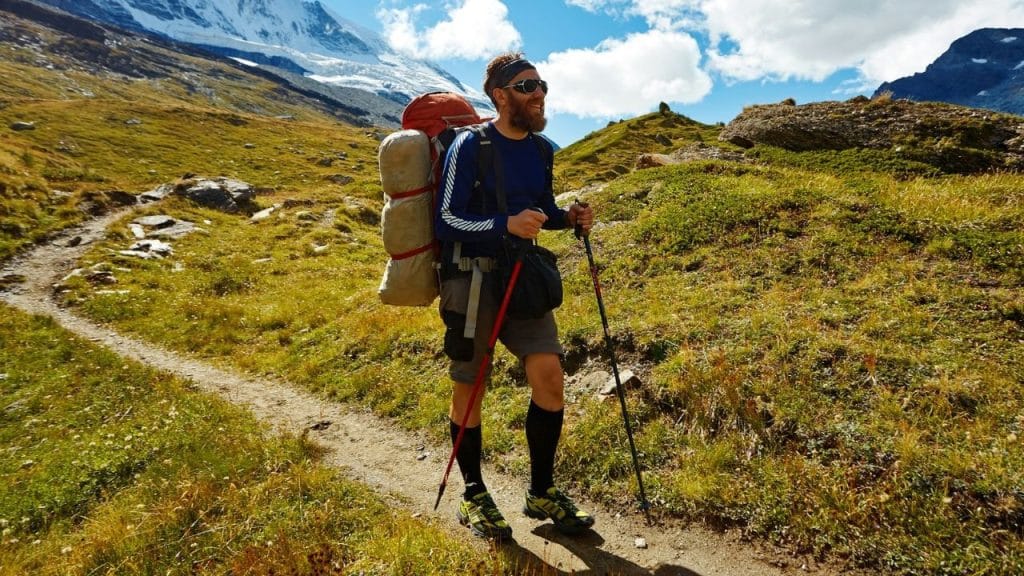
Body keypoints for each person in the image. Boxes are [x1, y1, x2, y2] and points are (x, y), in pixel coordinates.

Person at [434, 52, 596, 541]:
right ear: (500, 96)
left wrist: (568, 217)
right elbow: (446, 219)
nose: (538, 92)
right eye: (526, 86)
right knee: (471, 384)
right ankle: (474, 493)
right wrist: (502, 224)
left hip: (521, 276)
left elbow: (541, 207)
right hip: (471, 279)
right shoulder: (470, 146)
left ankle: (541, 491)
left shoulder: (542, 149)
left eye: (541, 83)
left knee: (548, 375)